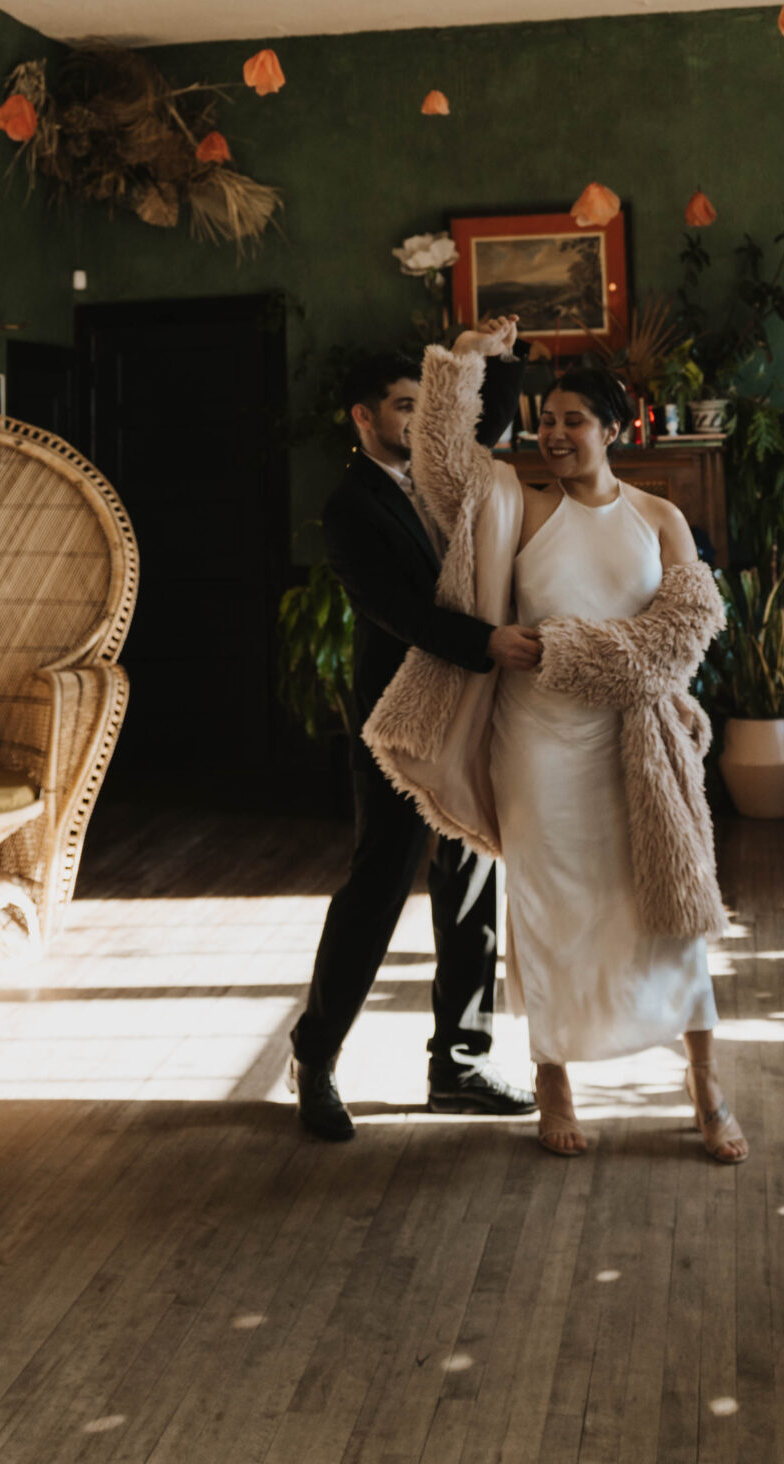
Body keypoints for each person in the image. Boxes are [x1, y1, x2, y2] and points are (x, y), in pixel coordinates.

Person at [365, 320, 746, 1164]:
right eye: (547, 418)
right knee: (548, 914)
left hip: (635, 742)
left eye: (574, 419)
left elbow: (685, 635)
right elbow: (439, 454)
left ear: (611, 430)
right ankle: (553, 1076)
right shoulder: (517, 506)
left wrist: (572, 650)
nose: (555, 432)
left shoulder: (660, 518)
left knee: (668, 911)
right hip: (534, 742)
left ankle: (704, 1080)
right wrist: (466, 359)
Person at [287, 348, 538, 1141]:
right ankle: (316, 1059)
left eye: (420, 405)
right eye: (402, 405)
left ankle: (458, 1066)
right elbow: (396, 609)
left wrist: (500, 360)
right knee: (378, 885)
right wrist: (487, 642)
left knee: (470, 881)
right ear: (364, 418)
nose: (416, 419)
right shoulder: (350, 504)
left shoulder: (444, 475)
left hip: (473, 706)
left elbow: (485, 425)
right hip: (398, 715)